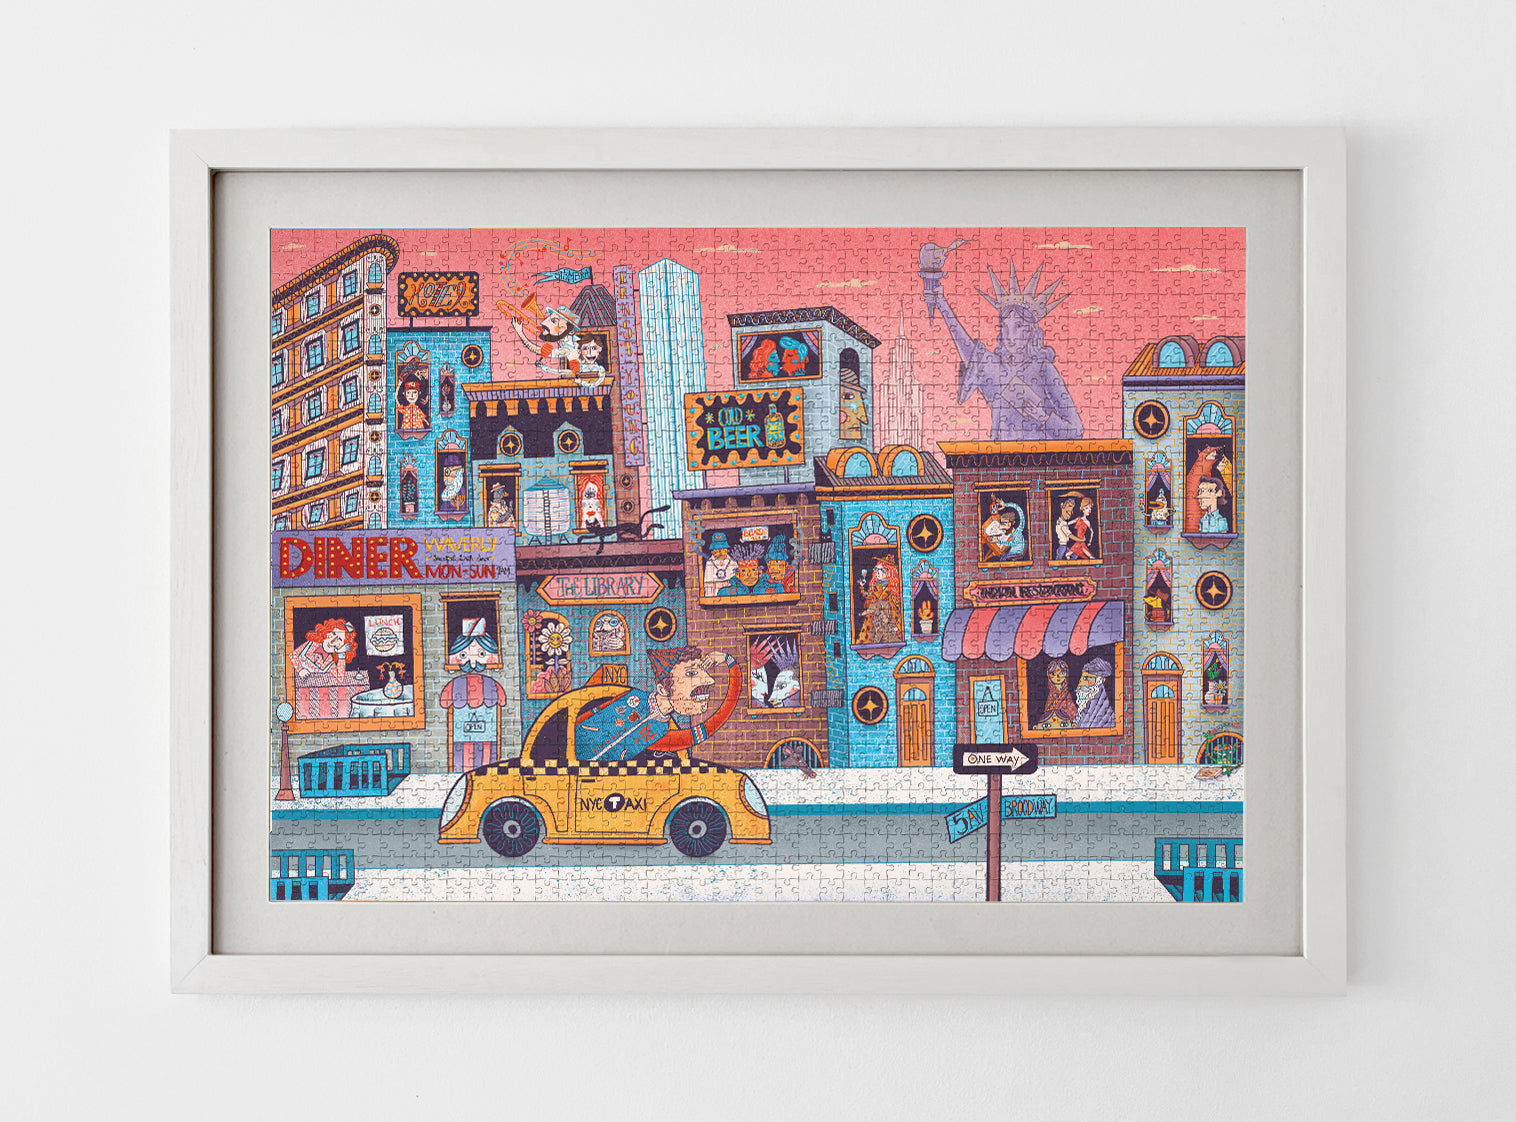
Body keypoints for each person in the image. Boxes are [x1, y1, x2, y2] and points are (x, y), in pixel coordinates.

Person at [572, 646, 744, 762]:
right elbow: (584, 716)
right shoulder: (631, 696)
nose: (709, 680)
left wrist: (729, 661)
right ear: (662, 689)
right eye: (691, 673)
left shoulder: (662, 731)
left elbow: (718, 718)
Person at [438, 619, 505, 771]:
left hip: (487, 740)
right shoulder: (455, 685)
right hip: (460, 742)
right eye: (463, 654)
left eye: (481, 654)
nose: (473, 663)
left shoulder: (491, 685)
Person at [856, 558, 904, 644]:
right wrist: (862, 587)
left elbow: (897, 610)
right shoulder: (876, 588)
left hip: (887, 619)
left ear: (887, 572)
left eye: (880, 570)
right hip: (876, 620)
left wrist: (897, 626)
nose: (877, 572)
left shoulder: (891, 590)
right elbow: (867, 595)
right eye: (876, 570)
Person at [290, 617, 357, 678]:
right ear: (326, 631)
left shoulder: (329, 661)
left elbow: (340, 678)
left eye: (339, 639)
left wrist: (341, 654)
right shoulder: (311, 644)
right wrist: (300, 670)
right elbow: (292, 655)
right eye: (333, 633)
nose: (333, 641)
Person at [1034, 658, 1079, 729]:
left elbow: (1072, 713)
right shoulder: (1049, 695)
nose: (1058, 676)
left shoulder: (1068, 695)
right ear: (1048, 675)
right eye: (1053, 673)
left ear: (1066, 674)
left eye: (1061, 673)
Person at [1074, 657, 1115, 728]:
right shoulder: (1084, 707)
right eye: (1081, 679)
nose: (1080, 684)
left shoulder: (1106, 713)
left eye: (1086, 679)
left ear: (1099, 680)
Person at [702, 531, 737, 596]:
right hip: (714, 592)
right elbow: (708, 584)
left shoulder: (733, 562)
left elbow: (736, 581)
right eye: (716, 550)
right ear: (712, 551)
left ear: (727, 550)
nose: (720, 552)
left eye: (723, 549)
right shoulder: (709, 563)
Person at [1069, 494, 1097, 560]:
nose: (1089, 510)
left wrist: (1090, 541)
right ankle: (1090, 556)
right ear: (1082, 509)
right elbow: (1069, 523)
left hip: (1082, 539)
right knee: (1080, 547)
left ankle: (1068, 555)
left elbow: (1092, 532)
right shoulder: (1078, 519)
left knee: (1081, 547)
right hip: (1078, 539)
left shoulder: (1087, 522)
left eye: (1090, 508)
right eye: (1086, 508)